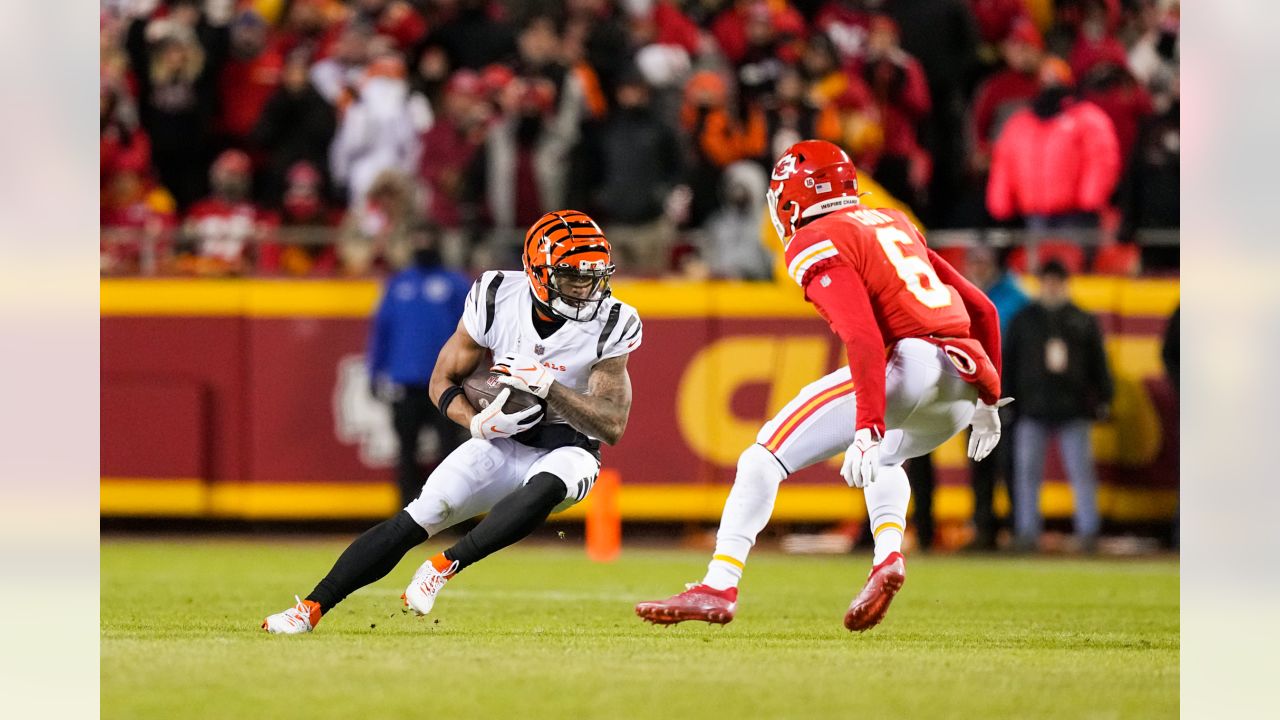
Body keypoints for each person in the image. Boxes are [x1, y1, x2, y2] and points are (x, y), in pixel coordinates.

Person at [636, 141, 1007, 631]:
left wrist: (867, 427)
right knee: (890, 459)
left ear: (791, 198)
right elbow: (982, 308)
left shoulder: (815, 239)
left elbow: (864, 337)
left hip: (910, 364)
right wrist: (989, 402)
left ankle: (719, 584)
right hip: (962, 384)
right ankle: (888, 556)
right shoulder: (895, 221)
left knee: (762, 457)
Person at [263, 210, 643, 633]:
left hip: (570, 446)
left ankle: (443, 565)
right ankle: (309, 610)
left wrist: (547, 386)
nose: (585, 287)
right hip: (504, 439)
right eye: (572, 276)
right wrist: (475, 421)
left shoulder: (614, 321)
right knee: (418, 516)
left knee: (550, 483)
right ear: (537, 271)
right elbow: (442, 380)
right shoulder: (496, 294)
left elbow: (612, 424)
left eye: (592, 276)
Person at [1003, 260, 1113, 553]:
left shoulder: (1081, 319)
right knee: (1026, 474)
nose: (1052, 286)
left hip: (1072, 409)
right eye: (1047, 280)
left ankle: (1088, 532)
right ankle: (1027, 532)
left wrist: (1104, 398)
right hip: (1032, 408)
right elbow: (1009, 363)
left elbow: (1098, 364)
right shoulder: (1024, 319)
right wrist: (1005, 400)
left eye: (1056, 281)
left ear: (1065, 283)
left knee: (1081, 473)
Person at [368, 226, 472, 506]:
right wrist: (374, 372)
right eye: (419, 239)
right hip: (406, 382)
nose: (423, 244)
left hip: (447, 383)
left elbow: (475, 334)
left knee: (452, 451)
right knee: (406, 450)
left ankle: (452, 511)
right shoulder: (398, 284)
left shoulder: (456, 284)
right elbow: (382, 331)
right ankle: (406, 513)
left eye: (428, 239)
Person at [986, 57, 1121, 231]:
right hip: (1033, 217)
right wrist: (1001, 205)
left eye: (1056, 80)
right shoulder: (1021, 122)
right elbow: (1003, 163)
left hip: (1076, 218)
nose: (1050, 86)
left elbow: (1102, 159)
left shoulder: (1086, 118)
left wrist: (1091, 200)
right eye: (1045, 81)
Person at [962, 245, 1030, 549]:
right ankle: (984, 531)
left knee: (1010, 465)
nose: (979, 267)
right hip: (970, 393)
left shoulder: (1014, 298)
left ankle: (1018, 530)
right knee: (979, 465)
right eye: (974, 261)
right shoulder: (959, 293)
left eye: (983, 260)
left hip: (1004, 393)